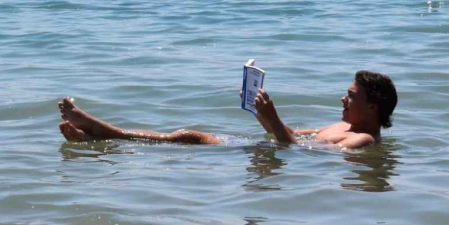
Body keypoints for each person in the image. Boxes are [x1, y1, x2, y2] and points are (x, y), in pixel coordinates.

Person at [58, 70, 397, 149]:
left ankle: (99, 134)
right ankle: (96, 137)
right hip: (260, 150)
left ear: (372, 106)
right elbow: (290, 137)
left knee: (185, 136)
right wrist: (264, 116)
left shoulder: (364, 140)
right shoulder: (340, 128)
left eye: (351, 96)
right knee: (184, 135)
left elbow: (297, 151)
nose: (343, 99)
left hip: (263, 156)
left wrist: (275, 122)